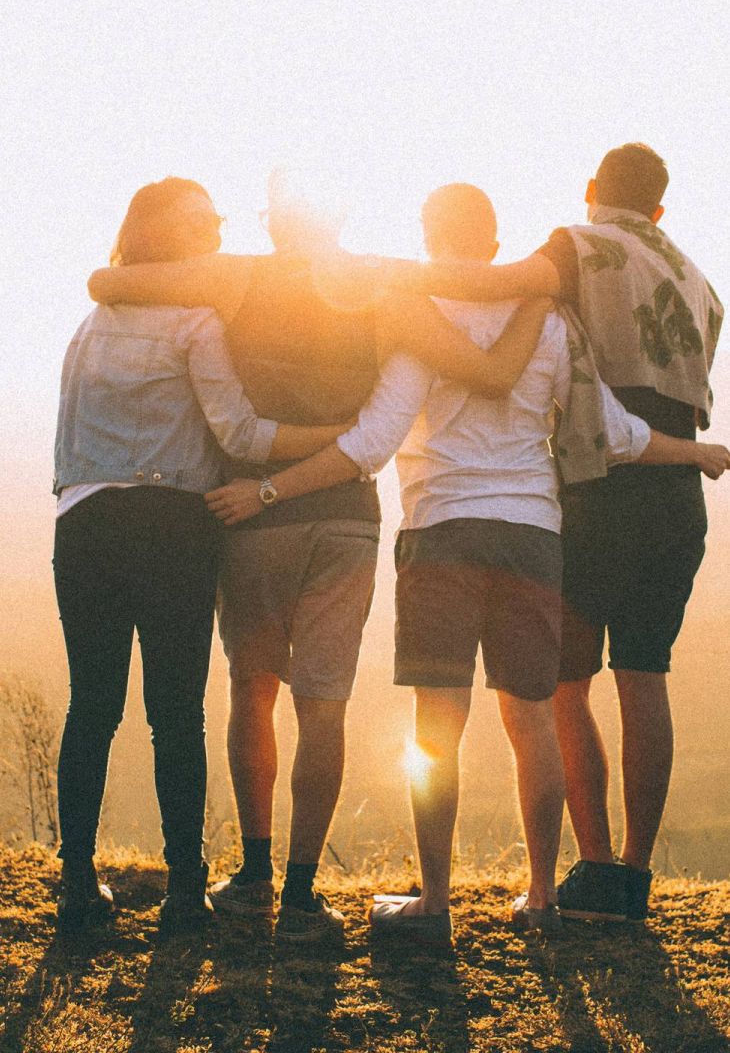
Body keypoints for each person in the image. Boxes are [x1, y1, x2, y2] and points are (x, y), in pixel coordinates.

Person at [205, 182, 729, 942]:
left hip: (442, 530)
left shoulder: (419, 318)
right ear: (493, 242)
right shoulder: (549, 322)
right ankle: (543, 898)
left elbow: (373, 442)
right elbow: (616, 433)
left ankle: (436, 903)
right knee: (533, 721)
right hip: (533, 536)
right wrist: (700, 452)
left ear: (428, 234)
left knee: (436, 728)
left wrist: (269, 488)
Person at [87, 171, 553, 942]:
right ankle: (303, 894)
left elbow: (111, 280)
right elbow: (479, 324)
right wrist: (539, 286)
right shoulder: (379, 281)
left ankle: (254, 873)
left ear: (273, 222)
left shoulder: (235, 276)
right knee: (323, 703)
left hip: (252, 512)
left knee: (253, 688)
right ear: (340, 213)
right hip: (346, 517)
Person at [369, 145, 725, 923]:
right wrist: (697, 452)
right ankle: (629, 879)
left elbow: (489, 285)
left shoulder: (577, 246)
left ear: (593, 190)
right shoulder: (700, 281)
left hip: (596, 486)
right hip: (673, 493)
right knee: (645, 676)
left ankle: (588, 869)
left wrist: (384, 277)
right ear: (660, 209)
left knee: (563, 686)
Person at [53, 177, 351, 933]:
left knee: (92, 706)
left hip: (84, 523)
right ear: (173, 237)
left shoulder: (90, 325)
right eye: (205, 222)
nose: (218, 232)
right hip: (173, 527)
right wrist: (338, 439)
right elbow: (242, 437)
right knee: (175, 714)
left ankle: (77, 883)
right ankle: (186, 889)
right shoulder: (195, 322)